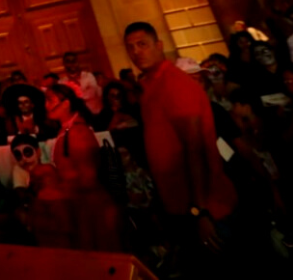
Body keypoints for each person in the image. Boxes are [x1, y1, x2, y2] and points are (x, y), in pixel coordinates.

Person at [124, 22, 236, 275]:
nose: (136, 52)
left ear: (159, 45)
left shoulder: (175, 84)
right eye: (130, 47)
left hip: (205, 208)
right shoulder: (151, 87)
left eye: (142, 44)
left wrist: (200, 211)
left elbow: (195, 149)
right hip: (181, 206)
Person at [29, 84, 121, 251]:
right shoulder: (66, 130)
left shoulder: (78, 133)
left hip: (90, 210)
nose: (46, 106)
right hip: (79, 205)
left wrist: (57, 189)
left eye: (50, 100)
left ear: (66, 103)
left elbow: (89, 179)